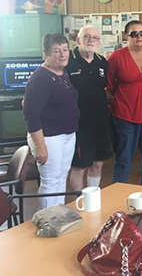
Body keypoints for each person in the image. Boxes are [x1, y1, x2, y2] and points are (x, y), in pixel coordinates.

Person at [23, 34, 80, 209]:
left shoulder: (62, 73)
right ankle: (48, 220)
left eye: (65, 50)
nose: (63, 55)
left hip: (67, 135)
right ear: (46, 55)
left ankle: (58, 216)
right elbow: (31, 115)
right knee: (50, 182)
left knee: (61, 178)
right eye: (56, 51)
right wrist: (40, 146)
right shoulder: (40, 78)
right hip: (48, 138)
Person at [107, 21, 142, 186]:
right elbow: (110, 85)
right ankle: (117, 192)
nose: (138, 37)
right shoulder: (117, 57)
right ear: (126, 36)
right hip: (125, 115)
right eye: (134, 34)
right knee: (124, 157)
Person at [66, 26, 112, 191]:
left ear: (99, 42)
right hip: (79, 123)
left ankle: (92, 198)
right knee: (80, 166)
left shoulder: (102, 62)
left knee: (98, 163)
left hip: (100, 122)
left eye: (95, 38)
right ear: (78, 40)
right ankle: (80, 203)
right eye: (86, 37)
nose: (91, 40)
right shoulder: (68, 60)